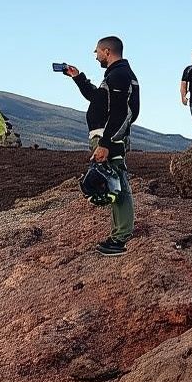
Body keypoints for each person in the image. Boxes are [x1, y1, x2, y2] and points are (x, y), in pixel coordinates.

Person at [63, 36, 140, 255]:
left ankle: (121, 238)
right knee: (112, 183)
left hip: (110, 138)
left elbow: (122, 112)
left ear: (107, 51)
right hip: (107, 136)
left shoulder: (120, 75)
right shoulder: (115, 75)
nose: (95, 55)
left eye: (97, 51)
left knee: (117, 184)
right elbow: (97, 98)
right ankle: (118, 234)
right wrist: (78, 78)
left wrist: (106, 143)